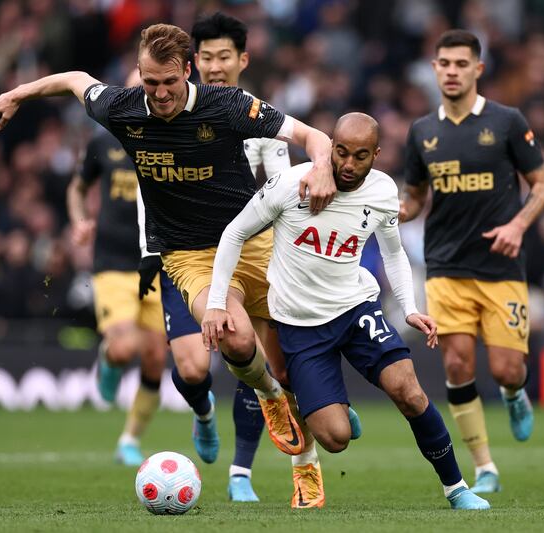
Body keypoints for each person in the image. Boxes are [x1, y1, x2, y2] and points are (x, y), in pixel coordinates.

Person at [0, 23, 336, 480]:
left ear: (187, 71)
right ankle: (269, 398)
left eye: (169, 82)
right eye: (150, 83)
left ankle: (301, 432)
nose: (160, 94)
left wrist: (322, 166)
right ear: (138, 74)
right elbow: (72, 79)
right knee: (236, 340)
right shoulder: (122, 108)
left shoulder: (226, 105)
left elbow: (311, 135)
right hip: (189, 255)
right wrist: (16, 94)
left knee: (290, 365)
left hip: (254, 241)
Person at [202, 112, 490, 510]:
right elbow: (234, 233)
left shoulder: (384, 191)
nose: (349, 165)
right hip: (301, 327)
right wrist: (216, 303)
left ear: (376, 154)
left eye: (360, 156)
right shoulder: (290, 183)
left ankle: (456, 488)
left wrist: (409, 308)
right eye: (341, 153)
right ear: (330, 148)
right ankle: (336, 409)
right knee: (335, 438)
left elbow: (394, 252)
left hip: (356, 310)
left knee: (408, 391)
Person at [190, 11, 360, 504]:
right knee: (206, 362)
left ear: (242, 59)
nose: (215, 66)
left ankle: (294, 464)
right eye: (206, 57)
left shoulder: (259, 118)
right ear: (192, 62)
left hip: (259, 246)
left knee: (280, 367)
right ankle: (230, 450)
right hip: (196, 253)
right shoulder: (174, 116)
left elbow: (281, 183)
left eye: (224, 56)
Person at [399, 30, 544, 494]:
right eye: (443, 63)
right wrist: (394, 210)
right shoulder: (422, 132)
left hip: (501, 268)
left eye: (460, 64)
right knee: (458, 366)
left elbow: (542, 184)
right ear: (434, 68)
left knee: (507, 368)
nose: (451, 71)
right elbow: (415, 197)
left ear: (477, 69)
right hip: (445, 268)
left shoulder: (507, 122)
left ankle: (513, 393)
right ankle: (485, 466)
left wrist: (518, 226)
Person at [67, 129, 202, 467]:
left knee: (156, 356)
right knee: (125, 346)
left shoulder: (169, 141)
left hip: (156, 260)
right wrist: (79, 220)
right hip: (112, 263)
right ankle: (109, 356)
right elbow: (77, 187)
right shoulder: (103, 143)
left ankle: (130, 439)